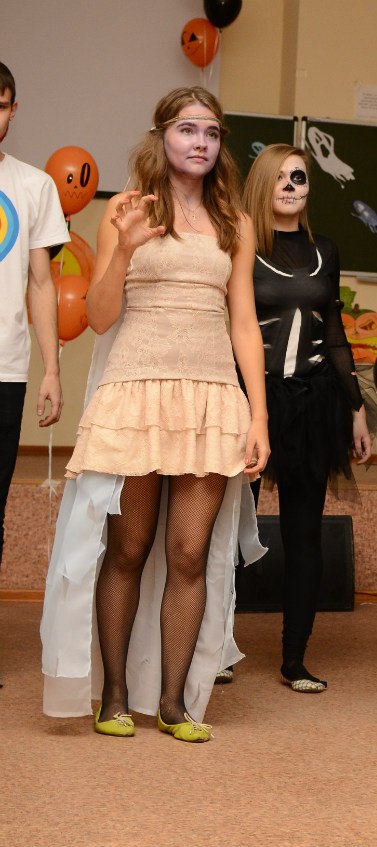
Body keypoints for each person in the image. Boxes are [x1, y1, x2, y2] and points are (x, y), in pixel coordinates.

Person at [40, 87, 269, 742]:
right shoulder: (125, 210)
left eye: (212, 132)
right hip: (136, 392)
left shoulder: (235, 222)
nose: (201, 142)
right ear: (162, 135)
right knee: (128, 547)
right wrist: (126, 247)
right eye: (188, 129)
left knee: (190, 553)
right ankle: (114, 694)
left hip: (209, 398)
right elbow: (98, 315)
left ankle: (173, 702)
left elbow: (245, 323)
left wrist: (258, 417)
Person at [240, 144, 375, 691]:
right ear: (262, 185)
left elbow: (335, 333)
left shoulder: (325, 250)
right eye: (280, 177)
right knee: (230, 530)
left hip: (314, 403)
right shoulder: (242, 246)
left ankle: (294, 659)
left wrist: (356, 408)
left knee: (305, 535)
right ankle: (213, 650)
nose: (292, 185)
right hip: (253, 403)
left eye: (299, 176)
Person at [0, 62, 66, 688]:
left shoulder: (34, 185)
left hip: (5, 369)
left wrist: (51, 368)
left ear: (13, 110)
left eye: (1, 105)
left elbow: (42, 283)